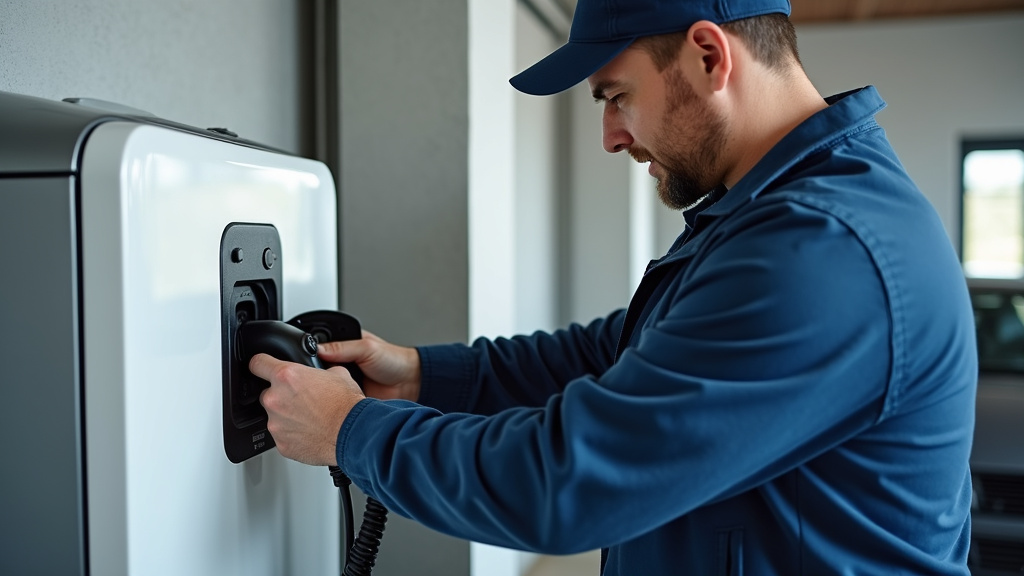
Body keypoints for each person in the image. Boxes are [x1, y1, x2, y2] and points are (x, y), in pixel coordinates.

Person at [250, 0, 978, 573]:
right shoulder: (765, 215)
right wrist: (422, 374)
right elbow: (619, 350)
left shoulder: (823, 253)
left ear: (707, 56)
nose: (611, 136)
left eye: (616, 96)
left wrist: (350, 434)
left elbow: (568, 484)